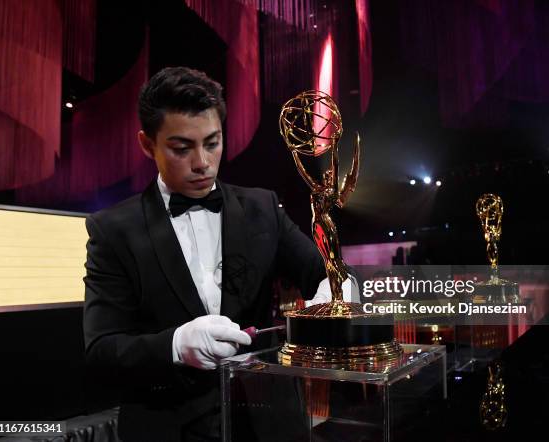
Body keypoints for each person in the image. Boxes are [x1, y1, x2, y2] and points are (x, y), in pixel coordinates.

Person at [82, 67, 355, 442]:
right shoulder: (112, 230)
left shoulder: (262, 207)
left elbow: (326, 272)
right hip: (167, 425)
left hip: (268, 421)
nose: (203, 162)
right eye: (182, 148)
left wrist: (338, 293)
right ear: (147, 145)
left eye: (213, 142)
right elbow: (102, 350)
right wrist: (176, 345)